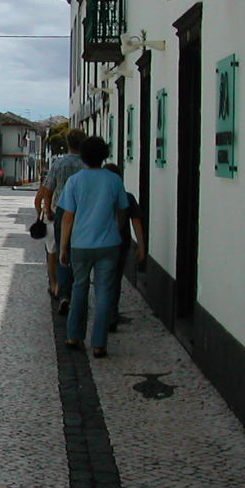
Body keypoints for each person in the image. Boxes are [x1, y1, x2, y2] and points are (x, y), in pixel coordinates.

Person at [57, 136, 128, 358]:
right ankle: (99, 343)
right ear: (105, 154)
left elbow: (68, 217)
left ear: (83, 156)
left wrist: (63, 247)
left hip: (81, 244)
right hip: (109, 243)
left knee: (79, 288)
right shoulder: (114, 180)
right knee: (104, 291)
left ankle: (73, 336)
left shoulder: (75, 181)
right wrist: (116, 230)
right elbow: (122, 210)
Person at [34, 129, 87, 315]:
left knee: (61, 251)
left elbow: (47, 191)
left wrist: (47, 210)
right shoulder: (87, 165)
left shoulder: (59, 163)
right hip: (83, 214)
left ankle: (63, 293)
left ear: (67, 142)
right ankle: (78, 291)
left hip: (61, 212)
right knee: (80, 254)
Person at [103, 163, 146, 330]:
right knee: (115, 280)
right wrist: (141, 246)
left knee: (104, 281)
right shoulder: (128, 197)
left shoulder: (100, 198)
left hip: (101, 244)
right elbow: (136, 223)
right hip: (121, 245)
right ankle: (111, 315)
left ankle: (105, 314)